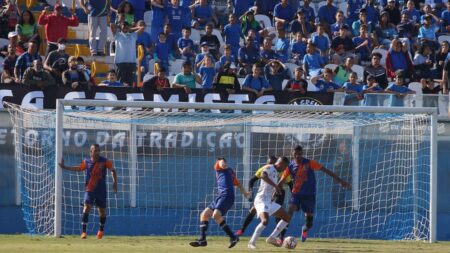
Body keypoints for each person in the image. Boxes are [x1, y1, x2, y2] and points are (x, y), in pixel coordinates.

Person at [266, 145, 351, 245]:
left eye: (299, 154)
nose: (297, 156)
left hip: (309, 195)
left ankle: (305, 229)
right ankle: (277, 237)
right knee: (288, 214)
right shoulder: (290, 166)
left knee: (309, 223)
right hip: (296, 194)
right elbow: (281, 181)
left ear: (302, 154)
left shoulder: (310, 163)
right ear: (292, 154)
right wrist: (273, 195)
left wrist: (340, 181)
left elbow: (326, 171)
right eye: (295, 154)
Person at [58, 144, 118, 239]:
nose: (98, 152)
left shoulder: (105, 161)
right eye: (96, 151)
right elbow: (78, 168)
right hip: (90, 189)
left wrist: (115, 183)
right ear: (91, 152)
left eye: (99, 150)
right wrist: (65, 167)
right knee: (86, 208)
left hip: (101, 191)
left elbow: (113, 170)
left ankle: (100, 231)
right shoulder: (86, 162)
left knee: (102, 212)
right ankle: (84, 232)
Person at [189, 157, 250, 248]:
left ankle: (233, 237)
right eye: (221, 162)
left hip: (227, 196)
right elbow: (221, 165)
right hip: (220, 197)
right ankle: (203, 240)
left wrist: (244, 193)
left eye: (224, 162)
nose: (223, 164)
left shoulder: (230, 171)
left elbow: (238, 183)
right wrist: (244, 192)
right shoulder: (218, 167)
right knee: (204, 215)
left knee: (216, 215)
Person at [247, 157, 292, 249]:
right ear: (280, 164)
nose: (285, 169)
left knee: (287, 218)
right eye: (285, 166)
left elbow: (269, 188)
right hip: (261, 200)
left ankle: (272, 237)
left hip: (268, 201)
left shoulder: (276, 172)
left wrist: (274, 194)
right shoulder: (269, 167)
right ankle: (251, 243)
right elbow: (263, 176)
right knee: (265, 221)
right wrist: (276, 186)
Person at [113, 21, 145, 86]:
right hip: (120, 63)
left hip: (131, 63)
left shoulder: (133, 35)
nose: (125, 27)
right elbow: (111, 25)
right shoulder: (117, 35)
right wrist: (120, 26)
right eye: (123, 26)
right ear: (121, 27)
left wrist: (130, 29)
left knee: (130, 83)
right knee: (120, 83)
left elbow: (142, 28)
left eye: (126, 26)